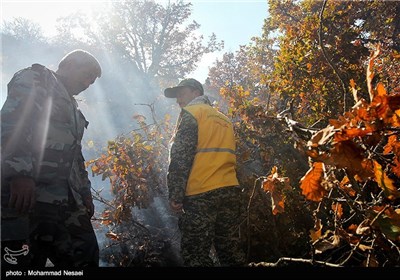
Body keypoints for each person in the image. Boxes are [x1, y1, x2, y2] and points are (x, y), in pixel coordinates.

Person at [1, 49, 101, 267]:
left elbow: (76, 155)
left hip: (65, 203)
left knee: (86, 256)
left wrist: (84, 192)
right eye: (86, 76)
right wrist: (20, 174)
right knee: (19, 264)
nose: (87, 84)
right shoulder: (36, 79)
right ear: (69, 64)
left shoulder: (73, 107)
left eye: (92, 82)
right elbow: (13, 123)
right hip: (27, 198)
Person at [164, 78, 246, 267]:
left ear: (195, 92)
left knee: (196, 254)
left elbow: (181, 157)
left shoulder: (192, 113)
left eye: (181, 93)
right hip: (230, 191)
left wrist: (175, 194)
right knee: (230, 252)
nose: (178, 100)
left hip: (201, 193)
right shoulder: (225, 120)